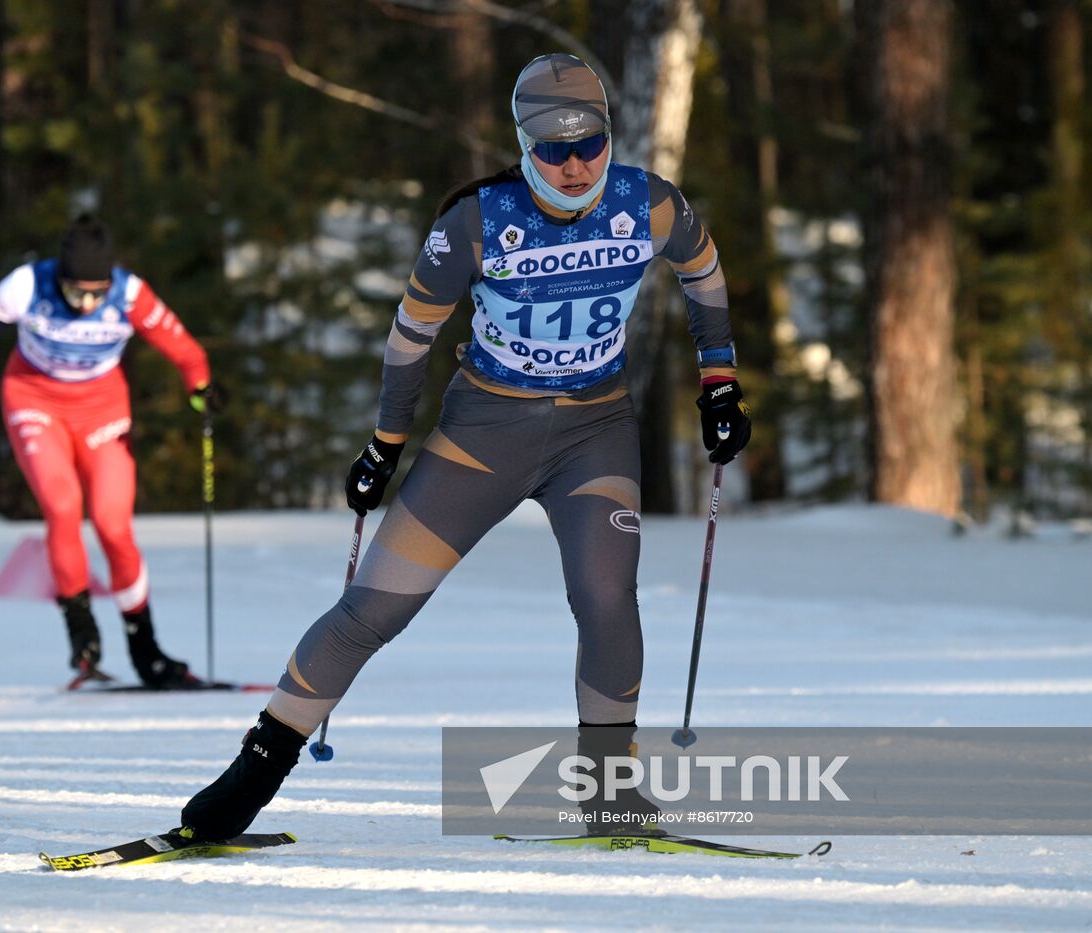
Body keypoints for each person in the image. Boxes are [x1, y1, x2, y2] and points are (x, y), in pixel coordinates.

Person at [176, 53, 752, 840]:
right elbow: (411, 339)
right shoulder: (477, 221)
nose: (575, 164)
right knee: (372, 611)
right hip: (484, 436)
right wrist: (384, 443)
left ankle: (608, 794)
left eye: (589, 142)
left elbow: (705, 272)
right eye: (553, 148)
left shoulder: (650, 204)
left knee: (607, 600)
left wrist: (718, 381)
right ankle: (248, 781)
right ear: (523, 146)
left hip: (595, 432)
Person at [0, 215, 224, 687]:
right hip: (34, 399)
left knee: (114, 525)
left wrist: (200, 386)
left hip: (101, 407)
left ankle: (146, 649)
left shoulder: (130, 293)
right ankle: (83, 637)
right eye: (78, 293)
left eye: (97, 293)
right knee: (61, 506)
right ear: (61, 278)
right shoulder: (27, 284)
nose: (88, 303)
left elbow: (182, 348)